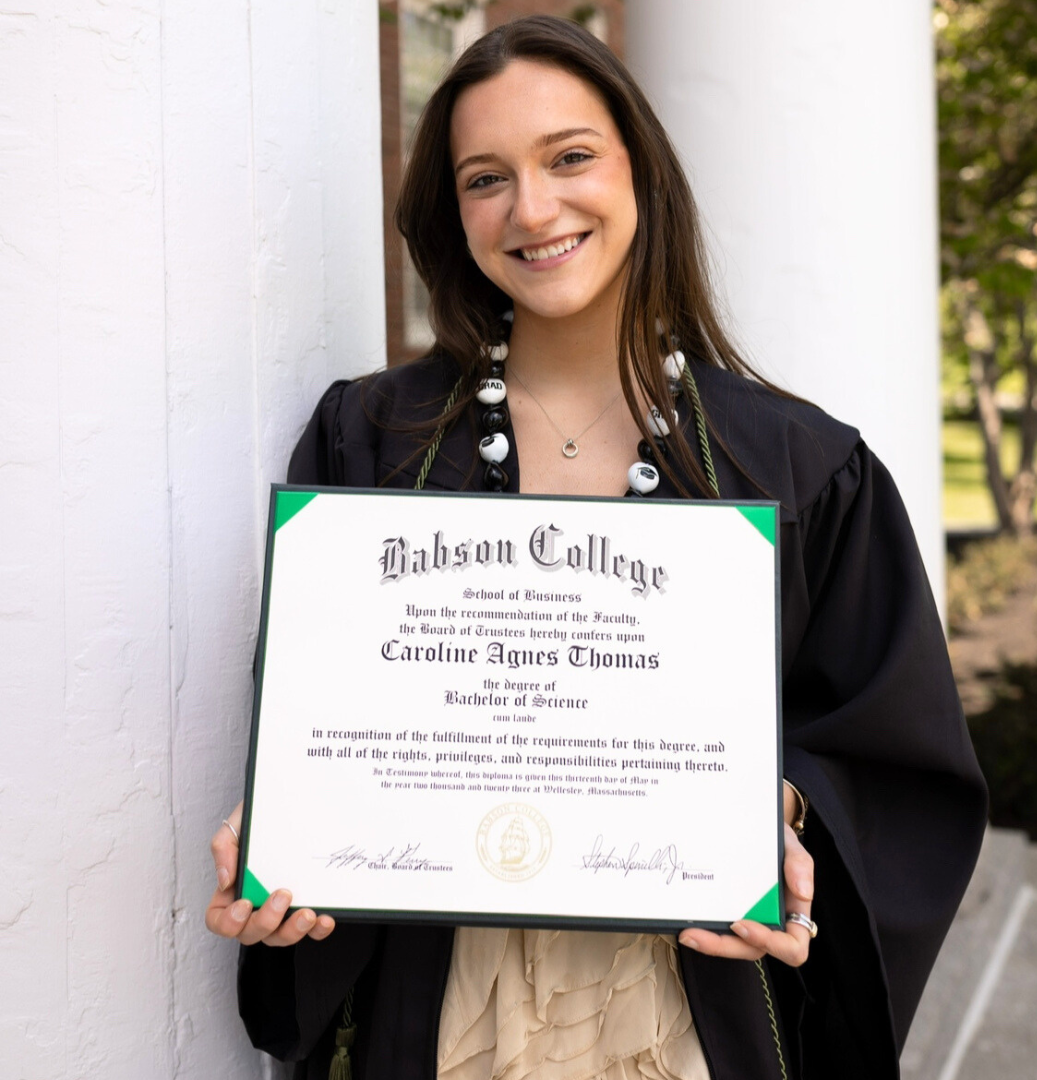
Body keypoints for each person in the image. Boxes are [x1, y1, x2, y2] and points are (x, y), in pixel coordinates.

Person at [205, 15, 987, 1079]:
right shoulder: (370, 442)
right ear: (453, 213)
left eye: (569, 157)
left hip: (678, 1019)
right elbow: (319, 712)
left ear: (640, 172)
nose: (532, 209)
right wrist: (289, 821)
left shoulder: (801, 466)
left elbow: (892, 758)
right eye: (486, 178)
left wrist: (781, 811)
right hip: (439, 1013)